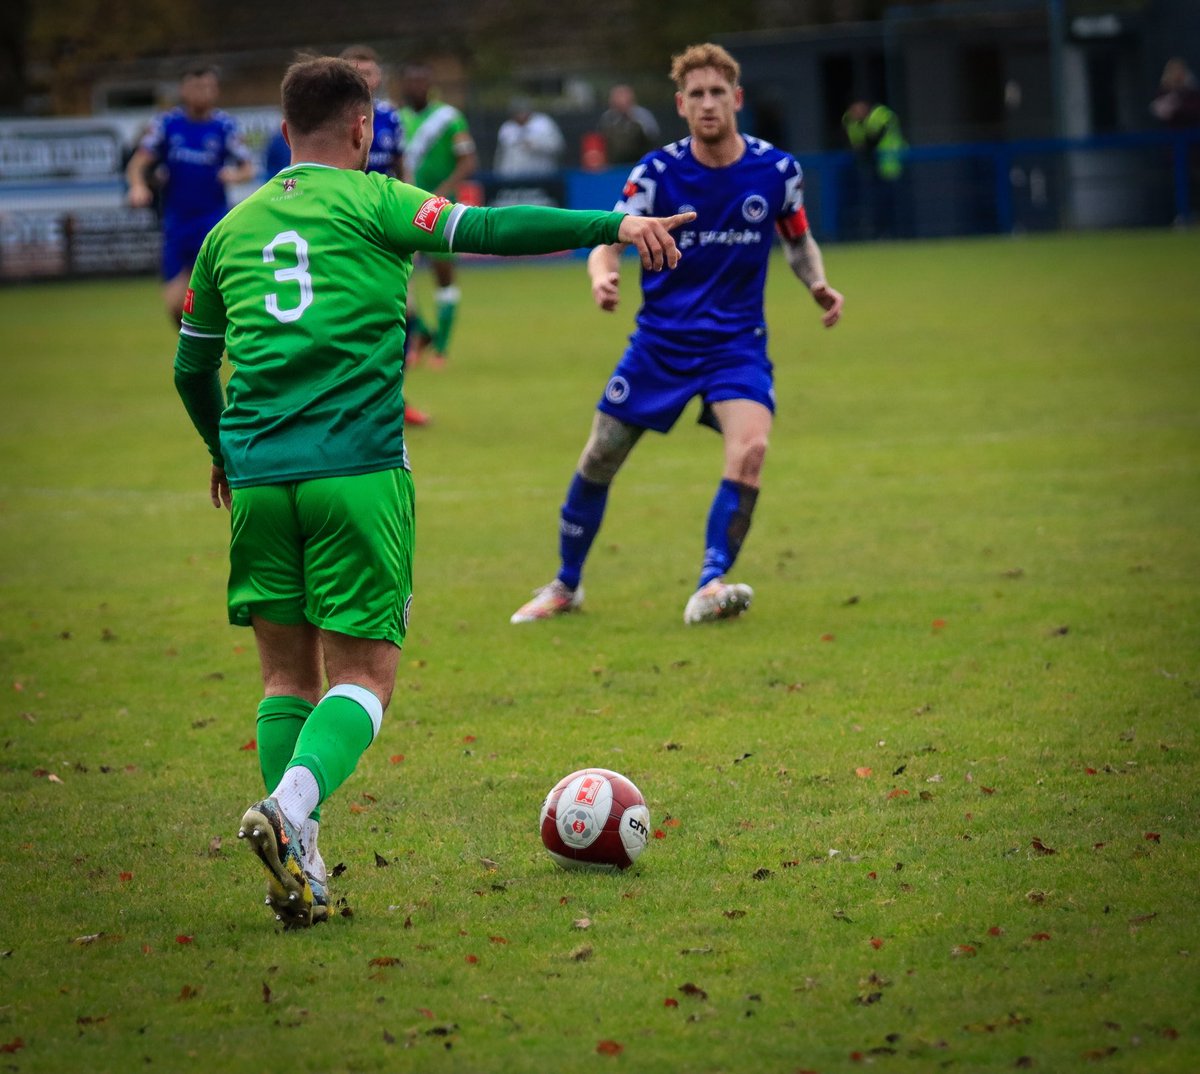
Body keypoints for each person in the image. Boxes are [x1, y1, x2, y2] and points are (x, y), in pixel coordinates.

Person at [172, 54, 693, 928]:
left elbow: (192, 368)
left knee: (282, 677)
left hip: (258, 478)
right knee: (367, 674)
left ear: (282, 131)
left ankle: (299, 858)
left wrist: (219, 447)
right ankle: (292, 814)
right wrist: (615, 223)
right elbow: (492, 230)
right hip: (358, 473)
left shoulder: (230, 231)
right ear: (364, 128)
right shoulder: (377, 201)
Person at [511, 42, 843, 628]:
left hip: (737, 345)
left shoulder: (777, 171)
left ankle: (710, 583)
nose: (709, 104)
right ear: (681, 106)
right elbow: (607, 237)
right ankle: (566, 584)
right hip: (660, 345)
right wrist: (603, 276)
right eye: (697, 95)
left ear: (736, 99)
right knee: (600, 455)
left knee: (753, 450)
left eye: (719, 93)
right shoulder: (657, 174)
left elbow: (797, 237)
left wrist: (817, 283)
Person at [339, 44, 430, 427]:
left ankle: (393, 396)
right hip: (346, 224)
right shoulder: (333, 115)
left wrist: (413, 220)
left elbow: (402, 169)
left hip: (388, 225)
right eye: (357, 71)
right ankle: (349, 398)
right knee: (351, 313)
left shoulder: (391, 118)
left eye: (371, 72)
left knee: (404, 311)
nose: (367, 78)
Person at [126, 65, 255, 326]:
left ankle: (216, 346)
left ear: (215, 90)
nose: (201, 93)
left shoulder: (224, 127)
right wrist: (138, 186)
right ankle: (196, 343)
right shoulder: (167, 124)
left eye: (207, 87)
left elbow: (249, 167)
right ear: (184, 90)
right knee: (175, 305)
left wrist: (235, 175)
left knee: (217, 296)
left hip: (213, 223)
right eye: (196, 87)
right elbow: (137, 164)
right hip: (177, 222)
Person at [400, 62, 479, 368]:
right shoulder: (398, 118)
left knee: (443, 276)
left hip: (441, 208)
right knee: (400, 276)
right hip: (405, 208)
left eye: (422, 81)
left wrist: (444, 190)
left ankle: (441, 347)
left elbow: (468, 160)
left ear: (430, 86)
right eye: (412, 81)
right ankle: (420, 334)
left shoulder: (449, 118)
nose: (417, 87)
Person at [841, 99, 908, 240]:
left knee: (892, 200)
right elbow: (857, 143)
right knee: (876, 201)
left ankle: (897, 232)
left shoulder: (881, 115)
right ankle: (882, 233)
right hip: (871, 166)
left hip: (891, 163)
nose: (855, 113)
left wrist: (866, 148)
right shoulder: (852, 121)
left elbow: (875, 138)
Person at [494, 97, 565, 177]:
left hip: (541, 177)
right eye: (516, 111)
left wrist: (536, 145)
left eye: (522, 110)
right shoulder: (507, 128)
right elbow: (500, 155)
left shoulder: (544, 123)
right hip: (513, 179)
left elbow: (558, 146)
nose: (520, 114)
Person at [599, 83, 660, 165]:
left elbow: (652, 137)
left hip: (639, 163)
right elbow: (601, 141)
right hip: (615, 166)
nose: (621, 101)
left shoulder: (643, 115)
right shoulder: (608, 118)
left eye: (624, 97)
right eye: (618, 97)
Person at [1150, 57, 1200, 128]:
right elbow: (1159, 111)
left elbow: (1195, 110)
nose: (1177, 73)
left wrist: (1178, 106)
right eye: (1174, 70)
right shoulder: (1164, 91)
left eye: (1180, 70)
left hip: (1192, 129)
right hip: (1171, 130)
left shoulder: (1191, 89)